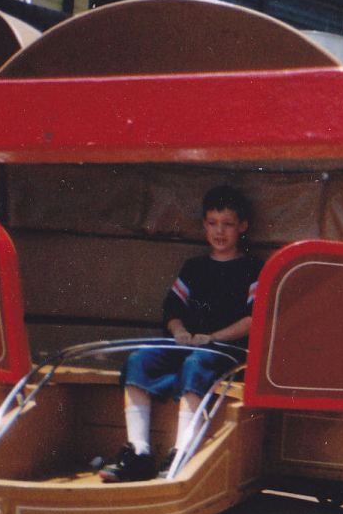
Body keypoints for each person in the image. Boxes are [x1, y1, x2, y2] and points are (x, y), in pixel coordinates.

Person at [100, 185, 263, 482]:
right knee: (139, 360)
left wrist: (212, 338)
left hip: (228, 350)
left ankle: (182, 452)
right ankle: (139, 451)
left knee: (195, 364)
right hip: (189, 344)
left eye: (227, 224)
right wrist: (180, 331)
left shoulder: (253, 268)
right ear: (204, 225)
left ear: (242, 226)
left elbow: (254, 319)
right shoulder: (194, 267)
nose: (219, 231)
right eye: (212, 223)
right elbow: (172, 308)